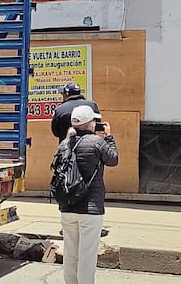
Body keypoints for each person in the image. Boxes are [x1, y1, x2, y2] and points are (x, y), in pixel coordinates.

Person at [58, 105, 118, 284]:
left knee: (70, 253)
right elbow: (113, 159)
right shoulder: (97, 142)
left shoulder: (65, 142)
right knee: (87, 256)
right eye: (94, 121)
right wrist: (109, 136)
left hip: (67, 206)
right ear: (90, 123)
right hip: (90, 209)